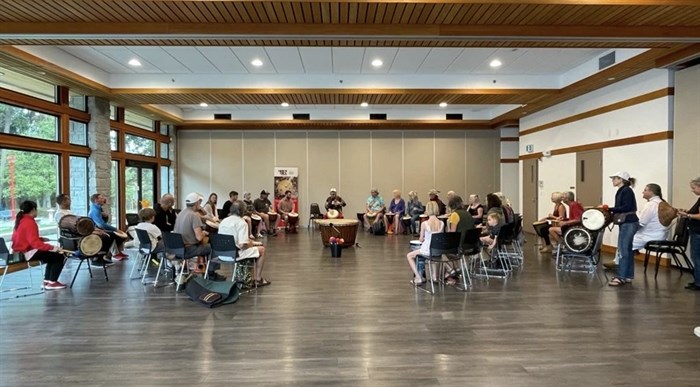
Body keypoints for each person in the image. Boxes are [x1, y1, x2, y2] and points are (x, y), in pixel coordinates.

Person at [12, 200, 67, 290]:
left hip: (21, 252)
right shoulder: (29, 222)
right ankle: (52, 282)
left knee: (53, 257)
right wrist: (52, 247)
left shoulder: (21, 220)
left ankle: (47, 281)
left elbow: (26, 238)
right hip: (27, 253)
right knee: (59, 256)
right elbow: (35, 243)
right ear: (33, 209)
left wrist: (42, 239)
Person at [173, 192, 224, 281]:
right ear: (197, 203)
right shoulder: (194, 215)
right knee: (215, 247)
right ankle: (211, 273)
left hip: (177, 248)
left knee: (209, 242)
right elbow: (199, 237)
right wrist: (204, 232)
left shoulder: (181, 213)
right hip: (189, 249)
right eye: (199, 203)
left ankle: (204, 269)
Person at [218, 202, 270, 287]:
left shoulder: (224, 221)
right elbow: (242, 245)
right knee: (262, 250)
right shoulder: (242, 223)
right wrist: (251, 244)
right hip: (234, 254)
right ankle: (258, 279)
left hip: (220, 253)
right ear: (242, 211)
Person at [606, 171, 639, 287]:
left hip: (628, 222)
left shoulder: (626, 191)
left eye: (614, 178)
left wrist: (610, 209)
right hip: (628, 222)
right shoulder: (624, 190)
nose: (613, 181)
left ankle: (621, 276)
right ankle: (627, 275)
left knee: (623, 250)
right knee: (627, 250)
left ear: (620, 179)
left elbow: (626, 207)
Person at [406, 201, 444, 286]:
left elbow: (420, 239)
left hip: (427, 250)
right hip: (437, 250)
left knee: (409, 255)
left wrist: (423, 239)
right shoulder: (442, 223)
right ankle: (434, 277)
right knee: (434, 256)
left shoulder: (424, 223)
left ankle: (418, 277)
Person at [88, 193, 128, 261]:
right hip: (96, 231)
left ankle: (116, 253)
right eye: (101, 198)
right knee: (114, 235)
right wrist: (116, 229)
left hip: (98, 229)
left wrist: (105, 216)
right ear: (96, 200)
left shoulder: (98, 209)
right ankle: (110, 255)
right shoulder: (95, 210)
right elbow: (102, 225)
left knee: (114, 234)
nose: (104, 199)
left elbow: (103, 223)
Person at [679, 177, 700, 291]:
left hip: (698, 232)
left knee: (697, 257)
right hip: (696, 231)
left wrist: (688, 215)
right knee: (696, 257)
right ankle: (697, 280)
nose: (692, 190)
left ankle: (699, 282)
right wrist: (688, 212)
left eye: (694, 188)